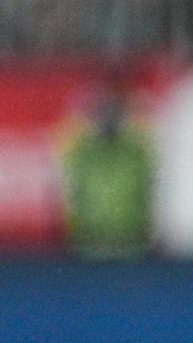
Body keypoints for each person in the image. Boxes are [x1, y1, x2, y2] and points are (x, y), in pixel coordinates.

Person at [58, 85, 154, 257]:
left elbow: (154, 142)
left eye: (114, 113)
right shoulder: (81, 152)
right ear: (93, 118)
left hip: (132, 244)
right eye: (102, 113)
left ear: (123, 117)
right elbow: (61, 147)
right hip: (88, 245)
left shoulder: (137, 151)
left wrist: (135, 112)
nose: (108, 119)